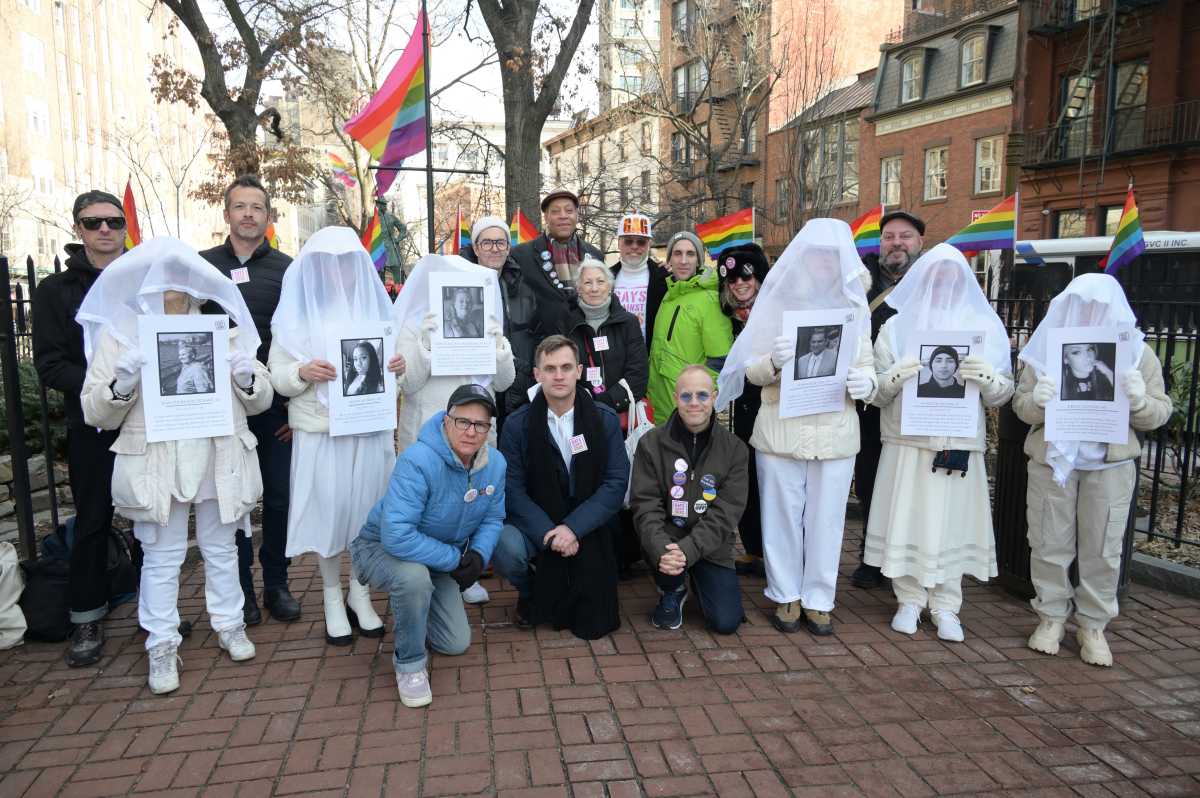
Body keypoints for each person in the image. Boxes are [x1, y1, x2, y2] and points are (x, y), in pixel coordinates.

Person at [77, 237, 271, 694]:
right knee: (162, 557)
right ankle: (161, 642)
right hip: (157, 459)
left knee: (221, 547)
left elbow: (261, 399)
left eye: (181, 282)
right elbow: (95, 412)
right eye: (163, 282)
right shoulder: (124, 332)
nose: (173, 291)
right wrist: (121, 383)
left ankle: (228, 623)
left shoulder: (220, 329)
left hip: (216, 452)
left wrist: (246, 375)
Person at [719, 219, 876, 636]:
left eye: (830, 256)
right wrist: (773, 362)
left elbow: (868, 366)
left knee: (827, 518)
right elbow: (749, 371)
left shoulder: (854, 308)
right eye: (816, 256)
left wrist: (867, 383)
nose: (823, 263)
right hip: (781, 427)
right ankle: (785, 593)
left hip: (835, 427)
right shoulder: (777, 304)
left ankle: (820, 597)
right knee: (781, 513)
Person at [1014, 274, 1171, 666]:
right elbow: (1021, 406)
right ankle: (1050, 616)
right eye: (1079, 304)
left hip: (1110, 465)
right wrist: (1037, 400)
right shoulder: (1047, 350)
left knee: (1103, 548)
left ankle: (1093, 624)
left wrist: (1138, 401)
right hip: (1054, 462)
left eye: (1098, 307)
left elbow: (1159, 411)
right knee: (1049, 541)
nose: (1088, 312)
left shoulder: (1137, 353)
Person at [864, 243, 1013, 643]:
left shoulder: (983, 328)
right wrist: (894, 376)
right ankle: (909, 599)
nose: (943, 283)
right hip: (908, 441)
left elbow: (1002, 394)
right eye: (936, 275)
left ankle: (947, 603)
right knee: (909, 517)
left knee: (953, 522)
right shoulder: (895, 328)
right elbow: (875, 394)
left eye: (952, 276)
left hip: (959, 440)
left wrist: (988, 379)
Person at [268, 227, 405, 646]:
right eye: (328, 265)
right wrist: (302, 372)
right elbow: (278, 375)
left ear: (357, 268)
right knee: (329, 510)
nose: (338, 272)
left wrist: (397, 368)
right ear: (313, 270)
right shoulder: (296, 317)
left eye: (345, 264)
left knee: (367, 510)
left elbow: (394, 375)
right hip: (321, 431)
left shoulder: (377, 314)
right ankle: (331, 595)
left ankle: (360, 592)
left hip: (368, 427)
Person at [351, 384, 506, 707]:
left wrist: (478, 556)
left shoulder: (495, 464)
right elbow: (397, 535)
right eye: (463, 421)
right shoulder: (417, 461)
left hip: (437, 556)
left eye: (480, 424)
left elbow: (493, 518)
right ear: (446, 421)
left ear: (489, 429)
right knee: (412, 580)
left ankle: (418, 611)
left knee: (455, 643)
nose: (471, 431)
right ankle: (409, 664)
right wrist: (456, 559)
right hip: (381, 548)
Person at [200, 175, 300, 626]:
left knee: (279, 497)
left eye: (256, 207)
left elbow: (301, 340)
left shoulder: (288, 269)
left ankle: (276, 582)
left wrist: (295, 408)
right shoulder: (200, 268)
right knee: (231, 501)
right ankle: (241, 588)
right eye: (239, 206)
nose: (247, 214)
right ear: (226, 214)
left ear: (268, 217)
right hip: (221, 408)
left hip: (276, 406)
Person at [32, 190, 127, 667]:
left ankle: (156, 611)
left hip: (148, 420)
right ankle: (86, 615)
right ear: (79, 229)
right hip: (91, 424)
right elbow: (49, 366)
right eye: (94, 223)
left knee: (157, 519)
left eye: (113, 221)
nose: (105, 230)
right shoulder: (55, 292)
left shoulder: (146, 282)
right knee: (93, 519)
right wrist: (102, 389)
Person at [393, 253, 514, 604]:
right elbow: (409, 383)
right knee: (432, 503)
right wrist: (426, 346)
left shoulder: (484, 321)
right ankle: (428, 571)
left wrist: (499, 346)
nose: (462, 298)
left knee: (469, 500)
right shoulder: (417, 324)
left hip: (475, 428)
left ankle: (462, 571)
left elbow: (504, 383)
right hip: (433, 429)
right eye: (454, 291)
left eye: (468, 292)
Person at [491, 335, 629, 639]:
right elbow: (512, 490)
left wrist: (572, 528)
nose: (558, 375)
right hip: (538, 523)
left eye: (566, 367)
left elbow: (616, 483)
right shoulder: (517, 425)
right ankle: (530, 591)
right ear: (537, 374)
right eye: (550, 368)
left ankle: (562, 583)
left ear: (579, 371)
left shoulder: (603, 420)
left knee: (594, 610)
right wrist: (550, 534)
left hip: (587, 524)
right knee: (503, 544)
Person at [630, 366, 747, 632]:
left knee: (726, 622)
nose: (694, 403)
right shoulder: (651, 444)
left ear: (715, 397)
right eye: (686, 396)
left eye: (702, 395)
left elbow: (726, 513)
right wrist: (663, 549)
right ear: (675, 398)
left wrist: (689, 550)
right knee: (658, 549)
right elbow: (645, 506)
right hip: (667, 543)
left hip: (711, 546)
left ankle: (692, 575)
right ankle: (673, 588)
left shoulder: (735, 449)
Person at [851, 210, 926, 590]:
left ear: (920, 243)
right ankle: (871, 554)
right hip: (870, 400)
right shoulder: (860, 284)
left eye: (905, 237)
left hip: (919, 400)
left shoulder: (933, 281)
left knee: (908, 479)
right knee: (869, 478)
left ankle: (907, 554)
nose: (897, 243)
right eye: (889, 237)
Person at [559, 257, 648, 573]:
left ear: (610, 286)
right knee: (589, 483)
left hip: (620, 419)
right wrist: (586, 409)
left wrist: (605, 408)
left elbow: (638, 374)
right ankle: (593, 548)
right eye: (587, 282)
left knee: (620, 481)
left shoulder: (627, 323)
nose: (594, 288)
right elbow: (562, 369)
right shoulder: (567, 321)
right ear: (578, 287)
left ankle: (625, 555)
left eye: (600, 281)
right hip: (579, 417)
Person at [715, 244, 769, 576]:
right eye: (731, 279)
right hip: (742, 409)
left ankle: (772, 550)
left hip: (771, 404)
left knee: (771, 479)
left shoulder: (774, 310)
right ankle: (753, 547)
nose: (739, 284)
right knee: (746, 474)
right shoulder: (727, 316)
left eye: (745, 276)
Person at [646, 231, 732, 425]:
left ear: (699, 260)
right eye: (677, 253)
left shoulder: (709, 300)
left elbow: (719, 361)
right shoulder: (669, 295)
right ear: (669, 259)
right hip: (661, 407)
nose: (683, 260)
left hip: (688, 411)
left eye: (690, 254)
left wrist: (698, 401)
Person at [462, 217, 541, 419]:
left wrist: (526, 373)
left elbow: (535, 335)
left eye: (500, 242)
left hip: (517, 389)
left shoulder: (525, 289)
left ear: (508, 248)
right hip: (474, 385)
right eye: (487, 242)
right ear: (476, 248)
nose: (494, 249)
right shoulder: (459, 286)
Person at [509, 189, 603, 328]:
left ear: (576, 215)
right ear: (546, 217)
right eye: (555, 211)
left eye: (569, 210)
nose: (563, 216)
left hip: (585, 338)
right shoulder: (521, 255)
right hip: (542, 342)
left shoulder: (595, 255)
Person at [610, 212, 669, 345]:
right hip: (615, 356)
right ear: (619, 243)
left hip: (651, 356)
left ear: (648, 244)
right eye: (628, 241)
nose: (634, 246)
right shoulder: (606, 277)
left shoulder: (664, 276)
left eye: (641, 242)